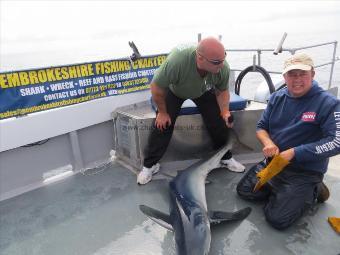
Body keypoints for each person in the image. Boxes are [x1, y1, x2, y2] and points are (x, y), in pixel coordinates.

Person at [237, 53, 340, 230]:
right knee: (244, 191)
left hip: (304, 171)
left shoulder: (328, 103)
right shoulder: (277, 97)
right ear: (284, 77)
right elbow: (261, 127)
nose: (297, 79)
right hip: (274, 163)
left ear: (313, 74)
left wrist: (294, 152)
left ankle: (314, 190)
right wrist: (268, 143)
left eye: (302, 74)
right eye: (292, 74)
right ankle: (284, 192)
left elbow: (337, 141)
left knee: (277, 219)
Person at [137, 37, 245, 185]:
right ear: (200, 58)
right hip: (175, 90)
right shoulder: (177, 61)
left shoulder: (221, 66)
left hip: (202, 91)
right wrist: (162, 112)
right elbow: (156, 86)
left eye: (223, 58)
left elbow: (222, 90)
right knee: (163, 124)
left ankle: (225, 158)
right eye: (216, 62)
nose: (221, 65)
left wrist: (225, 111)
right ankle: (150, 165)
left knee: (218, 121)